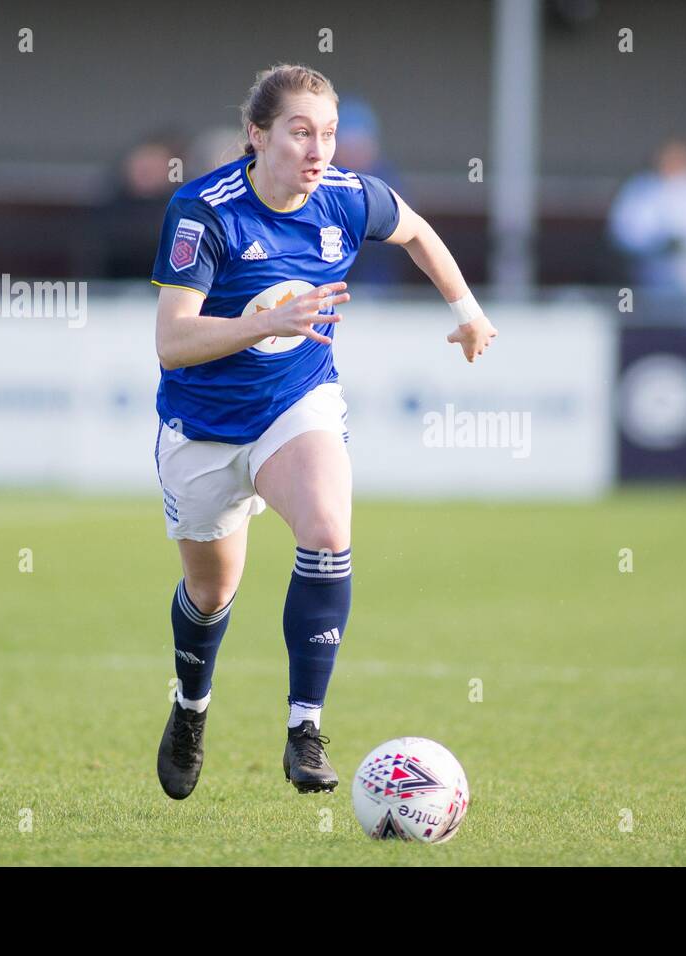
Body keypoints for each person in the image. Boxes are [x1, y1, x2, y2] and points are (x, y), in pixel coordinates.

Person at [149, 64, 497, 799]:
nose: (318, 149)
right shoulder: (203, 211)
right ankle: (190, 707)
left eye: (328, 133)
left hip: (294, 405)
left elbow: (417, 230)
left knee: (328, 529)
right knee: (210, 594)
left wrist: (465, 310)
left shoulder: (345, 197)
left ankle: (304, 729)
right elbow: (172, 343)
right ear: (257, 134)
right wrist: (264, 322)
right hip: (204, 429)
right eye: (300, 132)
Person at [607, 138, 686, 320]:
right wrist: (659, 244)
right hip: (652, 278)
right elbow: (623, 234)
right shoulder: (640, 188)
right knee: (656, 328)